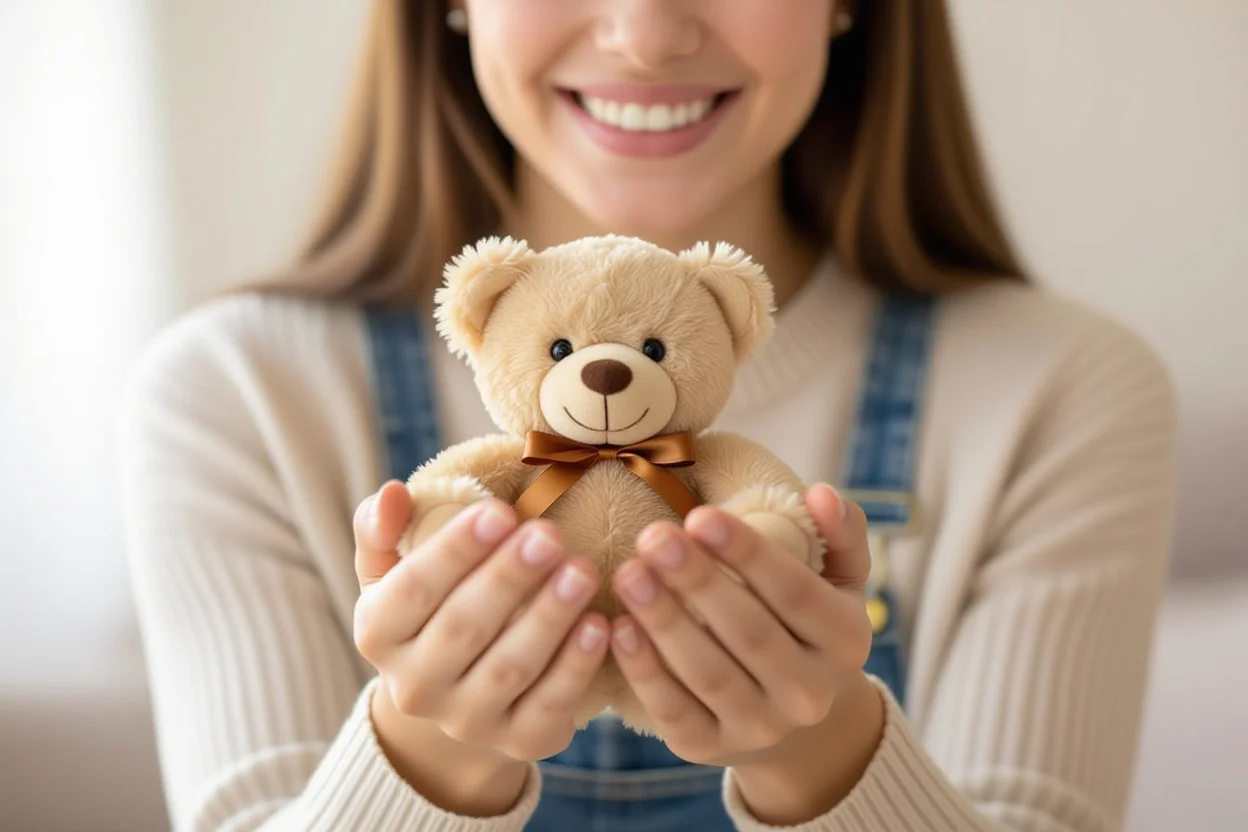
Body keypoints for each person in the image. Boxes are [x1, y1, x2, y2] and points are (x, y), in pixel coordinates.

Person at [116, 1, 1180, 830]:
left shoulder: (1063, 393)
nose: (645, 35)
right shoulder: (239, 394)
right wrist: (431, 753)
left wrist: (819, 751)